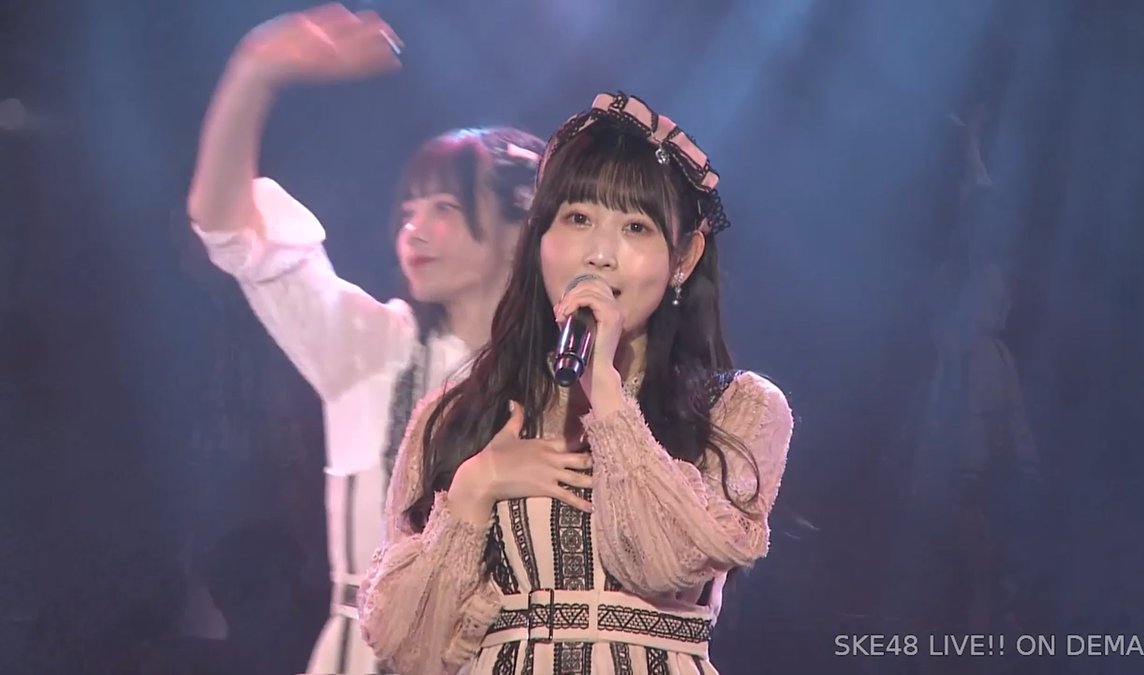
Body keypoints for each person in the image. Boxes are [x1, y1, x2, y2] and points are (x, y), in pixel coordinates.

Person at [358, 92, 795, 674]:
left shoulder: (737, 408)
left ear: (684, 257)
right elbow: (407, 647)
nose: (600, 254)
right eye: (578, 219)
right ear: (539, 236)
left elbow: (661, 563)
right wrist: (475, 488)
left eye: (635, 227)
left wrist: (604, 392)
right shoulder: (459, 416)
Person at [186, 5, 544, 672]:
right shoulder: (370, 348)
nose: (415, 230)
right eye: (409, 212)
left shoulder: (565, 377)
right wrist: (254, 73)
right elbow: (228, 224)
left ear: (520, 231)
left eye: (444, 209)